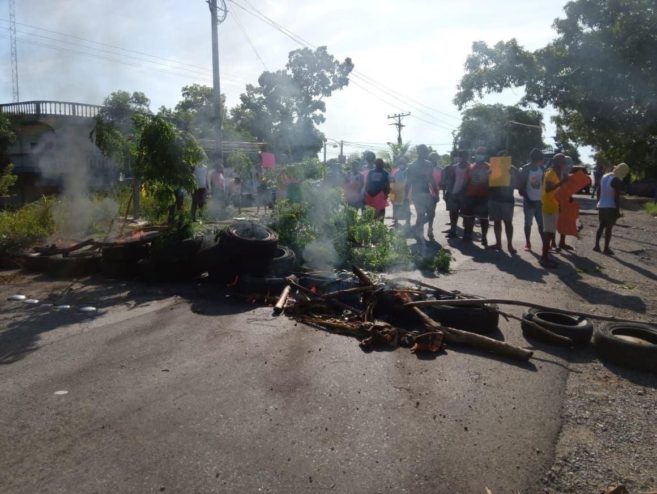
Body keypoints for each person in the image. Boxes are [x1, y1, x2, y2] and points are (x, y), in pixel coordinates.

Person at [539, 153, 569, 268]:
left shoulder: (557, 173)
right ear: (557, 163)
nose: (564, 164)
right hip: (549, 207)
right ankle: (544, 259)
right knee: (548, 234)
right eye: (563, 162)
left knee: (550, 233)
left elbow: (556, 190)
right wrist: (562, 181)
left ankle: (545, 256)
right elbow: (548, 189)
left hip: (553, 205)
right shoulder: (551, 173)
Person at [594, 162, 629, 255]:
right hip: (610, 207)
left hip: (601, 206)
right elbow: (616, 198)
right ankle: (606, 249)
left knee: (601, 226)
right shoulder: (616, 180)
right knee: (609, 228)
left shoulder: (605, 176)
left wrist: (598, 203)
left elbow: (598, 191)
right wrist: (617, 211)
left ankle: (596, 246)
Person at [488, 155, 518, 253]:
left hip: (507, 200)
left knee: (508, 223)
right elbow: (487, 183)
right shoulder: (492, 167)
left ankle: (510, 245)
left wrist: (512, 176)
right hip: (494, 199)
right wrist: (488, 175)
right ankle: (498, 244)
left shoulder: (512, 168)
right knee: (497, 222)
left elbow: (517, 184)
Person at [406, 145, 436, 241]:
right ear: (418, 152)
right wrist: (405, 196)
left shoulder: (429, 164)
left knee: (431, 214)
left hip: (427, 192)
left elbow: (431, 179)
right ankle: (419, 233)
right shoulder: (411, 165)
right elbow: (408, 182)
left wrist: (435, 192)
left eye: (425, 151)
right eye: (423, 151)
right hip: (416, 194)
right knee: (420, 214)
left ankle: (425, 229)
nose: (425, 153)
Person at [461, 147, 491, 245]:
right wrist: (464, 195)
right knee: (469, 217)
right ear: (475, 155)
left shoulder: (489, 167)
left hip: (484, 196)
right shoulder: (470, 167)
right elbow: (466, 181)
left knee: (483, 219)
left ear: (485, 155)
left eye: (482, 153)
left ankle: (484, 237)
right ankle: (468, 235)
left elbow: (493, 182)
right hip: (470, 196)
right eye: (478, 153)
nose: (479, 155)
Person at [517, 148, 545, 251]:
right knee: (528, 223)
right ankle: (528, 243)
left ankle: (544, 244)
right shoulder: (525, 169)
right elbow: (520, 188)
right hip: (529, 202)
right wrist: (528, 200)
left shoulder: (542, 169)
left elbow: (543, 184)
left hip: (540, 202)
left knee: (542, 225)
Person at [443, 150, 470, 238]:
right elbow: (451, 180)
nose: (461, 157)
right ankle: (453, 230)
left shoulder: (470, 167)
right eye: (460, 156)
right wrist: (448, 193)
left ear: (467, 157)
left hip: (465, 195)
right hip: (454, 194)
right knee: (453, 213)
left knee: (466, 215)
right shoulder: (454, 167)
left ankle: (467, 233)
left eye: (463, 156)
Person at [426, 152, 443, 240]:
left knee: (431, 212)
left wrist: (438, 191)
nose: (434, 159)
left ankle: (430, 228)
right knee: (422, 213)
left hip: (434, 194)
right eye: (432, 158)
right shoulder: (424, 167)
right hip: (424, 193)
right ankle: (419, 230)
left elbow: (441, 182)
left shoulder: (439, 170)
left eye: (435, 158)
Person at [390, 157, 410, 227]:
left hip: (405, 193)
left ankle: (408, 223)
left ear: (405, 164)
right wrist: (391, 195)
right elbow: (392, 183)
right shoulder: (396, 172)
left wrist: (408, 194)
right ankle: (395, 222)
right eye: (400, 163)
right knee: (395, 208)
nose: (401, 165)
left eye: (403, 163)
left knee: (407, 208)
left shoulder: (408, 172)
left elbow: (409, 183)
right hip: (396, 193)